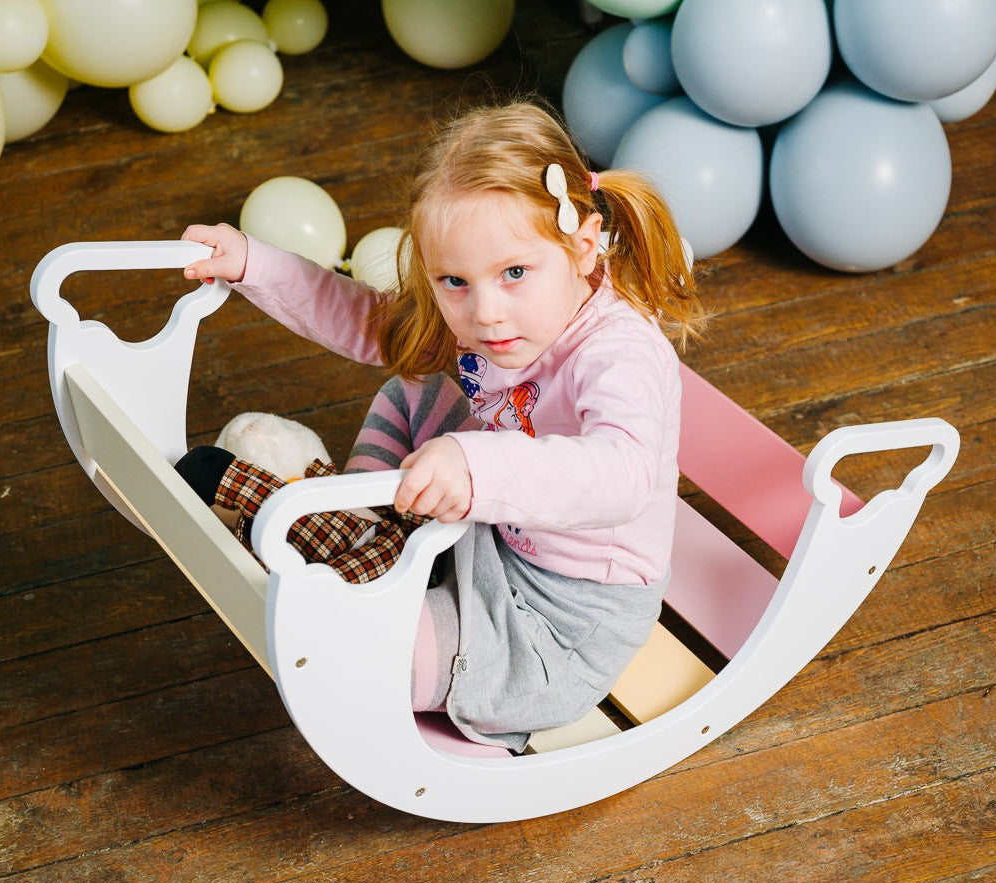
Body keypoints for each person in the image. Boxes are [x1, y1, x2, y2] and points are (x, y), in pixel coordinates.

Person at [180, 100, 709, 750]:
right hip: (492, 538)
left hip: (554, 624)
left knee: (349, 655)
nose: (485, 312)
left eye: (515, 273)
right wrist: (252, 265)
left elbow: (620, 476)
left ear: (583, 245)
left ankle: (377, 581)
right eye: (454, 281)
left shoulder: (617, 352)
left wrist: (473, 463)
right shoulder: (495, 316)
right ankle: (375, 530)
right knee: (413, 388)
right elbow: (370, 322)